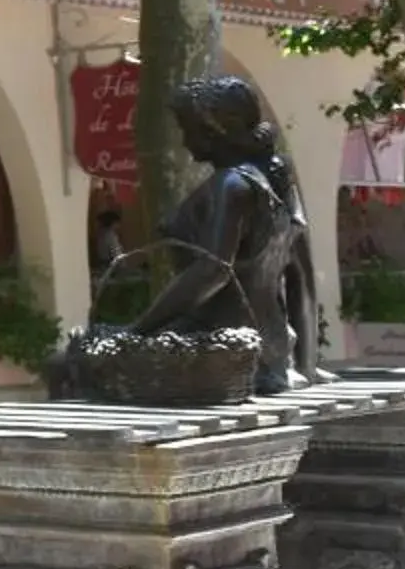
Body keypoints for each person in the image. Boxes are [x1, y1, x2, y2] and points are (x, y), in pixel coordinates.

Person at [130, 76, 319, 393]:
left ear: (212, 131)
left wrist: (138, 330)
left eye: (186, 128)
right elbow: (302, 277)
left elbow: (213, 270)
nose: (184, 140)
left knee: (74, 365)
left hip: (225, 348)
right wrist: (305, 364)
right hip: (268, 352)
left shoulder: (231, 186)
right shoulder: (275, 180)